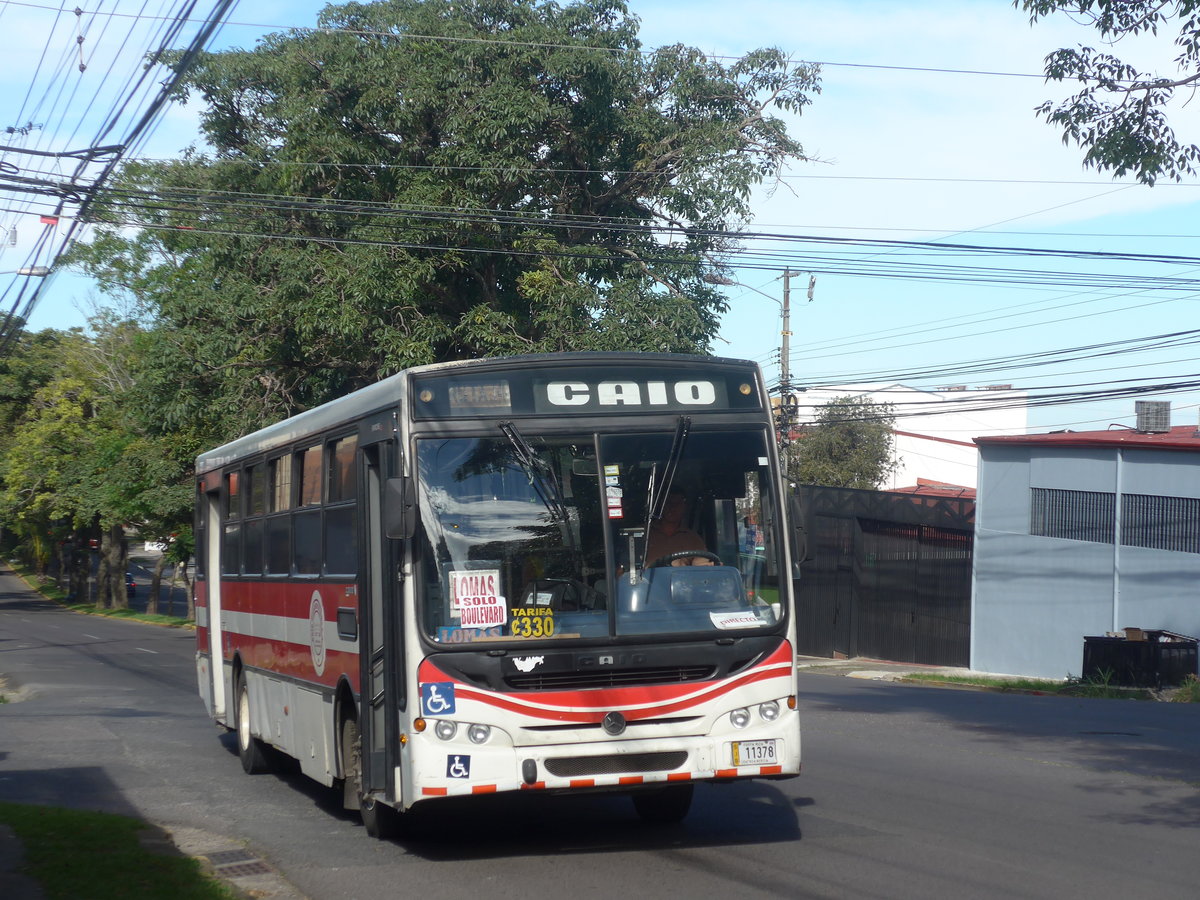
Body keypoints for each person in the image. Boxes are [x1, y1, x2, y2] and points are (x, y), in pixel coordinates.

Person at [644, 491, 714, 567]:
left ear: (684, 507)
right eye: (669, 502)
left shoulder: (693, 538)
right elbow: (631, 565)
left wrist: (704, 565)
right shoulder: (643, 533)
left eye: (678, 503)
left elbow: (700, 562)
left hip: (682, 579)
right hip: (645, 578)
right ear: (661, 505)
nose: (673, 507)